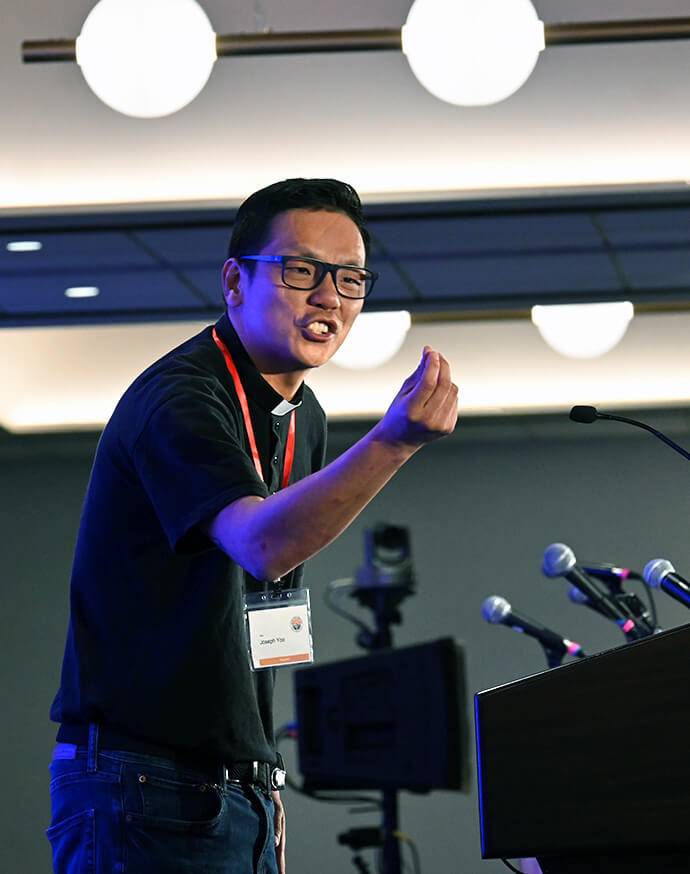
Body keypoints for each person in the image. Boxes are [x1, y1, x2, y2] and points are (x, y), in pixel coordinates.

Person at [47, 177, 458, 874]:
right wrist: (394, 441)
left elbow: (272, 600)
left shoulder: (307, 416)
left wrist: (262, 778)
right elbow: (263, 545)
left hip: (235, 788)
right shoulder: (182, 396)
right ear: (235, 281)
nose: (329, 296)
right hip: (144, 783)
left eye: (351, 279)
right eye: (302, 271)